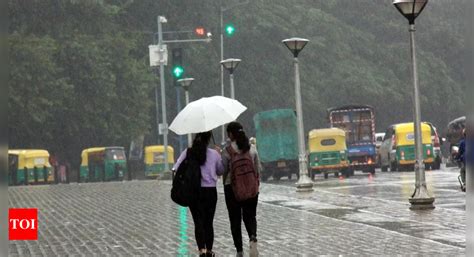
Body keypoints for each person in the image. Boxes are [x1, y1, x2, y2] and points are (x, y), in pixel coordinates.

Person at [173, 131, 224, 257]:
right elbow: (220, 171)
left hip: (194, 192)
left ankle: (201, 250)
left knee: (198, 222)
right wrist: (219, 154)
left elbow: (175, 168)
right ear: (208, 140)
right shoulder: (214, 154)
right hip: (211, 192)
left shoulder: (188, 152)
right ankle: (210, 251)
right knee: (208, 222)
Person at [222, 122, 261, 257]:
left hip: (232, 189)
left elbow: (223, 171)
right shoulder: (252, 148)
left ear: (231, 134)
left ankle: (239, 251)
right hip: (251, 188)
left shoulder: (227, 151)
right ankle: (253, 236)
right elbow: (257, 169)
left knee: (235, 220)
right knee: (250, 215)